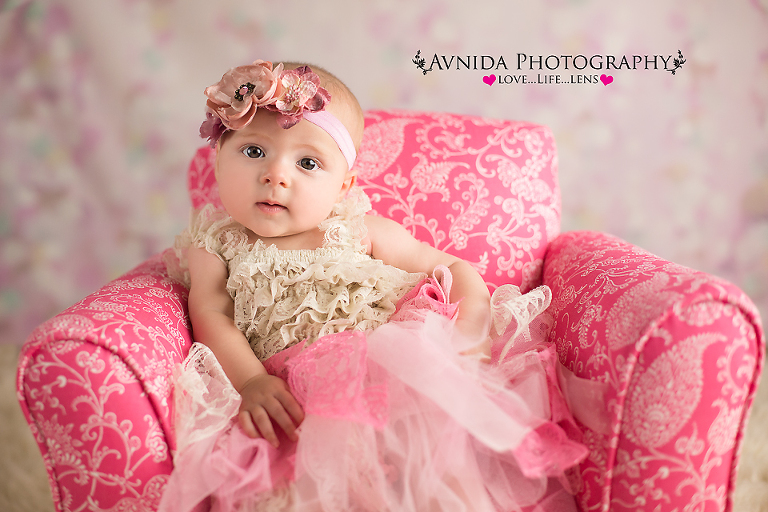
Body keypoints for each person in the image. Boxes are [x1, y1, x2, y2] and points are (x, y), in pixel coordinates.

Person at [160, 59, 587, 512]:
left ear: (342, 186)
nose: (275, 175)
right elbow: (212, 314)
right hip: (297, 399)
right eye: (253, 151)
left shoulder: (358, 228)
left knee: (439, 473)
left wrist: (469, 339)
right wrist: (250, 382)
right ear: (219, 157)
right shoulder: (215, 244)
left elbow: (451, 268)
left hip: (394, 375)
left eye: (307, 162)